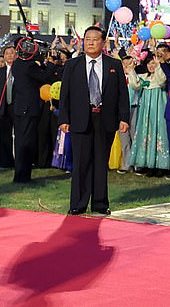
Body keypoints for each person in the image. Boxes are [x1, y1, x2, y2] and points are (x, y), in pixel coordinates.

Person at [58, 26, 129, 215]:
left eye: (94, 39)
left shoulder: (114, 65)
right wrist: (63, 118)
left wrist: (124, 118)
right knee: (81, 163)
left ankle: (100, 204)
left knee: (100, 162)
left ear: (103, 42)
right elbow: (64, 94)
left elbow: (123, 94)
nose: (90, 42)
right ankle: (78, 204)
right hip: (80, 119)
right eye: (87, 39)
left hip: (105, 119)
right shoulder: (73, 65)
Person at [11, 38, 58, 182]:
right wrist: (50, 63)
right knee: (26, 142)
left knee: (21, 141)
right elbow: (45, 77)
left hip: (19, 108)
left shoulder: (17, 64)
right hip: (28, 108)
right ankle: (22, 176)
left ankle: (21, 175)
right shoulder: (29, 66)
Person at [128, 55, 170, 174]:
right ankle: (146, 163)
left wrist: (158, 66)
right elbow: (135, 85)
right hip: (146, 110)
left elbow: (161, 81)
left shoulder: (159, 75)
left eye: (153, 63)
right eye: (149, 64)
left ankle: (160, 165)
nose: (151, 66)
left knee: (159, 132)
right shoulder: (144, 77)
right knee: (146, 132)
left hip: (158, 109)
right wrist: (131, 70)